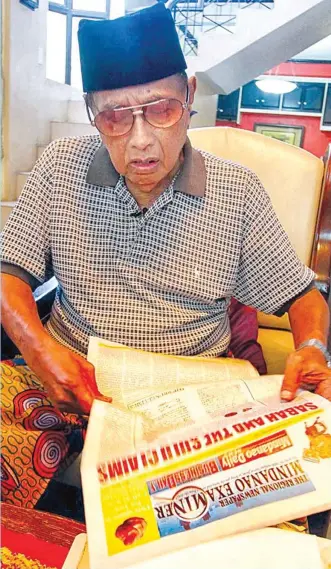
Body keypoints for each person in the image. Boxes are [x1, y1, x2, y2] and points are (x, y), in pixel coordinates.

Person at [1, 4, 330, 509]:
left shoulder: (236, 191)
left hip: (191, 398)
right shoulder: (59, 166)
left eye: (160, 109)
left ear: (190, 95)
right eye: (114, 117)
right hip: (68, 380)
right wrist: (41, 351)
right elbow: (8, 274)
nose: (139, 141)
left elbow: (302, 294)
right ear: (92, 112)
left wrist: (311, 345)